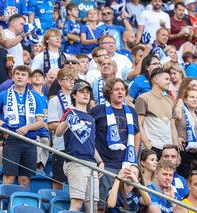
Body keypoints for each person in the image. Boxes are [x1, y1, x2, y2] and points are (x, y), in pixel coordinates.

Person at [0, 65, 44, 187]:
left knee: (25, 179)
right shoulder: (3, 95)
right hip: (12, 139)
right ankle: (4, 206)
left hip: (30, 141)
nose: (20, 77)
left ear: (29, 80)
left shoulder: (36, 97)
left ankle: (24, 204)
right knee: (9, 177)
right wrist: (3, 125)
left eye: (23, 75)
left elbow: (40, 122)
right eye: (17, 74)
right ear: (13, 77)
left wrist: (27, 127)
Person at [90, 78, 140, 212]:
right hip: (105, 165)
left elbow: (137, 134)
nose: (120, 92)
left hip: (125, 165)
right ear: (109, 92)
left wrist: (133, 159)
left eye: (122, 89)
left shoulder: (131, 111)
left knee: (123, 205)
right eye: (116, 89)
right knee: (101, 205)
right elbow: (89, 135)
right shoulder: (98, 110)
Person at [55, 81, 103, 212]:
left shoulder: (91, 118)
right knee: (77, 202)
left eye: (88, 92)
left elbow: (90, 144)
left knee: (93, 206)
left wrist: (100, 161)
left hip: (91, 163)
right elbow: (58, 133)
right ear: (74, 95)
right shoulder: (70, 112)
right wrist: (67, 120)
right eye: (82, 92)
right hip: (76, 161)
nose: (85, 95)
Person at [135, 68, 178, 154]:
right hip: (152, 148)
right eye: (166, 79)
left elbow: (173, 127)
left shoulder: (170, 100)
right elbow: (138, 124)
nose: (169, 82)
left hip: (168, 150)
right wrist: (148, 145)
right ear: (156, 79)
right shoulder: (143, 98)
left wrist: (176, 149)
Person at [47, 68, 75, 189]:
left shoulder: (77, 98)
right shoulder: (54, 100)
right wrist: (70, 124)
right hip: (61, 145)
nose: (71, 82)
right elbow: (51, 125)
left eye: (73, 79)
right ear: (59, 82)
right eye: (68, 79)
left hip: (76, 145)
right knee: (58, 179)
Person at [174, 89, 197, 178]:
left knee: (196, 177)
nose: (195, 99)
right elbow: (170, 126)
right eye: (191, 97)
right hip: (182, 149)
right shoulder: (180, 111)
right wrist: (177, 138)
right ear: (185, 99)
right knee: (184, 177)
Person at [30, 69, 50, 170]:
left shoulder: (46, 98)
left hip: (45, 131)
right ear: (30, 80)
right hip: (35, 130)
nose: (37, 77)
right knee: (34, 159)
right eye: (34, 75)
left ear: (44, 79)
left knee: (42, 161)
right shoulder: (29, 94)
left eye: (40, 76)